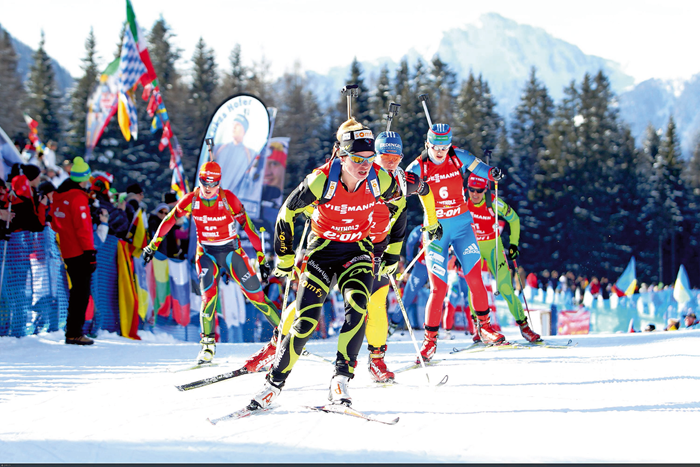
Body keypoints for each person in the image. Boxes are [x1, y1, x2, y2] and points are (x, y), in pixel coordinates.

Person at [249, 118, 441, 410]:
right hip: (322, 251)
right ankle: (274, 383)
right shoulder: (321, 180)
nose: (364, 165)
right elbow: (286, 213)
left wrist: (399, 245)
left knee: (358, 309)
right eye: (356, 158)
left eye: (368, 158)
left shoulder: (381, 179)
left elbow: (404, 202)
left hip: (357, 252)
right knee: (306, 322)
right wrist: (286, 258)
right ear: (341, 155)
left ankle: (341, 379)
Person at [142, 161, 280, 366]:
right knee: (208, 297)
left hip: (231, 252)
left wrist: (261, 258)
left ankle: (287, 336)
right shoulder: (192, 199)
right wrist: (153, 245)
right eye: (204, 182)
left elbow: (249, 227)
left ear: (219, 182)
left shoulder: (228, 199)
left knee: (256, 296)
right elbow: (171, 219)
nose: (208, 187)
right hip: (206, 253)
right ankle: (207, 347)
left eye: (212, 183)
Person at [406, 123, 504, 361]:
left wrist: (491, 173)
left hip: (462, 227)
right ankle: (429, 342)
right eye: (435, 146)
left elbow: (479, 167)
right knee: (439, 288)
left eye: (444, 146)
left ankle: (484, 328)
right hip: (436, 231)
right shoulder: (419, 166)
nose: (440, 151)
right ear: (427, 144)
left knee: (474, 277)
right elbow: (400, 185)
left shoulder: (456, 156)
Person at [365, 131, 435, 383]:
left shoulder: (405, 180)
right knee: (312, 301)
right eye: (386, 155)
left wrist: (432, 223)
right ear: (376, 155)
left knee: (377, 303)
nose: (391, 161)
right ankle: (279, 345)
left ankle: (376, 360)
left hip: (380, 249)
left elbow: (426, 191)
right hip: (347, 245)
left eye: (397, 156)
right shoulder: (363, 173)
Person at [465, 173, 540, 342]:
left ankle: (524, 327)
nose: (475, 194)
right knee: (474, 287)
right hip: (472, 247)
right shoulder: (463, 200)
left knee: (505, 287)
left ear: (485, 189)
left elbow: (514, 219)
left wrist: (513, 244)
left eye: (479, 190)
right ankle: (478, 328)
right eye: (472, 190)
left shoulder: (494, 202)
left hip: (493, 247)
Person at [50, 157, 97, 345]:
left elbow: (55, 222)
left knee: (77, 291)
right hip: (79, 251)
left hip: (67, 249)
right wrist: (90, 252)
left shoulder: (59, 195)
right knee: (81, 293)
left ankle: (73, 331)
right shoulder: (77, 197)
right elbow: (83, 228)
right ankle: (74, 332)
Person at [215, 114, 259, 195]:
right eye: (233, 124)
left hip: (234, 198)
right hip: (214, 195)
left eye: (238, 125)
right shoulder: (219, 148)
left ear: (244, 130)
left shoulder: (250, 154)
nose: (234, 127)